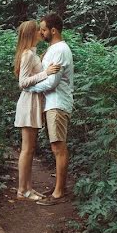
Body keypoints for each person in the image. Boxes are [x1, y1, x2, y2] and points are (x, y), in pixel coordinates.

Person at [22, 13, 73, 206]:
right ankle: (58, 188)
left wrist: (29, 87)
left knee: (58, 147)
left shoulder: (59, 49)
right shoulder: (53, 49)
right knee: (56, 146)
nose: (41, 32)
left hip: (58, 103)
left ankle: (59, 192)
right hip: (52, 103)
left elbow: (52, 82)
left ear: (54, 30)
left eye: (43, 29)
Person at [13, 20, 61, 201]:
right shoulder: (27, 54)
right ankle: (22, 190)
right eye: (38, 30)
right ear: (31, 33)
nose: (41, 32)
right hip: (28, 103)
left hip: (34, 103)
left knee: (30, 149)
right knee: (27, 149)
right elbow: (23, 82)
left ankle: (28, 188)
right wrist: (46, 72)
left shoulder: (31, 54)